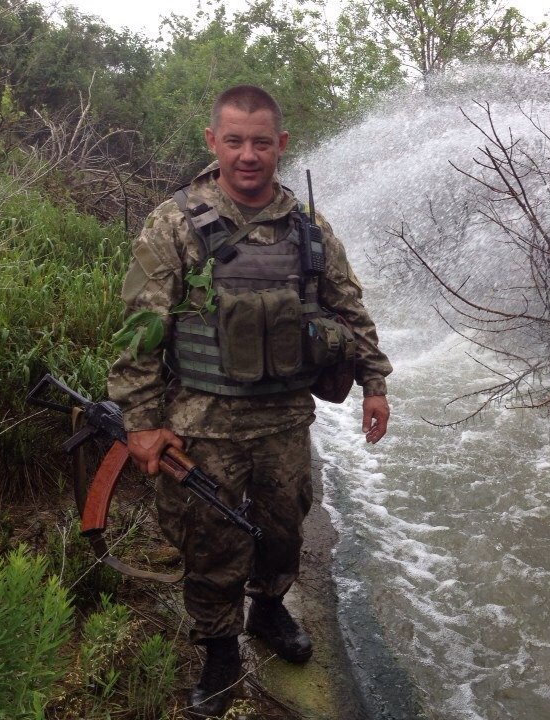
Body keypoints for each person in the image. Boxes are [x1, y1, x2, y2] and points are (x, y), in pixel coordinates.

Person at [107, 85, 392, 719]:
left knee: (284, 525)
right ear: (212, 142)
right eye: (233, 140)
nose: (247, 154)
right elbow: (139, 331)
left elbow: (349, 307)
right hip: (202, 421)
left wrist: (374, 383)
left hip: (286, 419)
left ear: (280, 145)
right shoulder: (175, 223)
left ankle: (268, 610)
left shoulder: (308, 227)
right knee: (209, 540)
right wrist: (142, 423)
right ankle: (218, 648)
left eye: (261, 142)